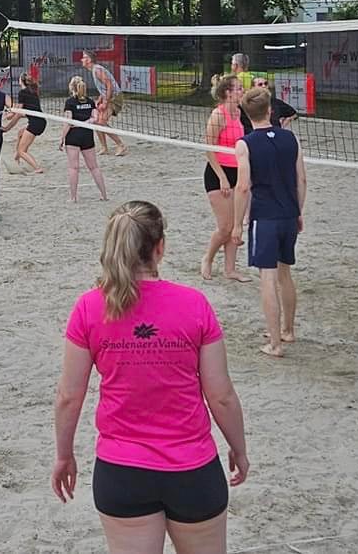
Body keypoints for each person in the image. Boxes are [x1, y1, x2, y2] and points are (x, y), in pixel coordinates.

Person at [52, 201, 250, 554]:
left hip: (122, 471)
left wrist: (64, 455)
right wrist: (239, 448)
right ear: (160, 247)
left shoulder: (90, 307)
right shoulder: (194, 305)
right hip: (192, 468)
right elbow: (221, 396)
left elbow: (69, 396)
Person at [243, 87, 305, 358]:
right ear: (270, 110)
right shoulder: (290, 138)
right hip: (289, 214)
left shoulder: (245, 144)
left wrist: (238, 222)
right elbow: (302, 179)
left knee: (267, 278)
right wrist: (298, 211)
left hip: (265, 217)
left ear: (247, 114)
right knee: (285, 274)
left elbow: (243, 187)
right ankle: (287, 330)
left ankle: (275, 344)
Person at [200, 75, 250, 283]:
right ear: (228, 92)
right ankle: (208, 258)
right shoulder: (218, 115)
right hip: (217, 173)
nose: (242, 91)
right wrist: (222, 177)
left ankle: (230, 269)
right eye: (238, 88)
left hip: (238, 172)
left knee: (236, 226)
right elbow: (209, 149)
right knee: (225, 227)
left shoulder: (241, 113)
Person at [64, 77, 110, 201]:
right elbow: (95, 118)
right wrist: (85, 122)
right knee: (94, 167)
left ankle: (73, 197)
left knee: (73, 168)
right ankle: (104, 195)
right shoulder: (90, 102)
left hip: (73, 136)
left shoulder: (70, 102)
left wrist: (62, 138)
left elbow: (68, 122)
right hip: (87, 136)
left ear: (72, 88)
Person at [81, 50, 127, 156]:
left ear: (89, 60)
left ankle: (121, 145)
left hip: (114, 97)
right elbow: (105, 87)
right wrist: (100, 98)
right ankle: (104, 147)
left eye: (84, 57)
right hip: (109, 96)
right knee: (96, 121)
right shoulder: (94, 70)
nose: (81, 59)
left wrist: (105, 102)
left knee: (101, 122)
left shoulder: (97, 70)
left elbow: (109, 85)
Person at [12, 75, 48, 175]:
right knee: (20, 133)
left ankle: (37, 168)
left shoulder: (22, 92)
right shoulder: (33, 92)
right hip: (40, 121)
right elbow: (27, 111)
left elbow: (19, 111)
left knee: (21, 150)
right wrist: (12, 113)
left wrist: (11, 116)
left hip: (35, 123)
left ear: (21, 81)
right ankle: (16, 159)